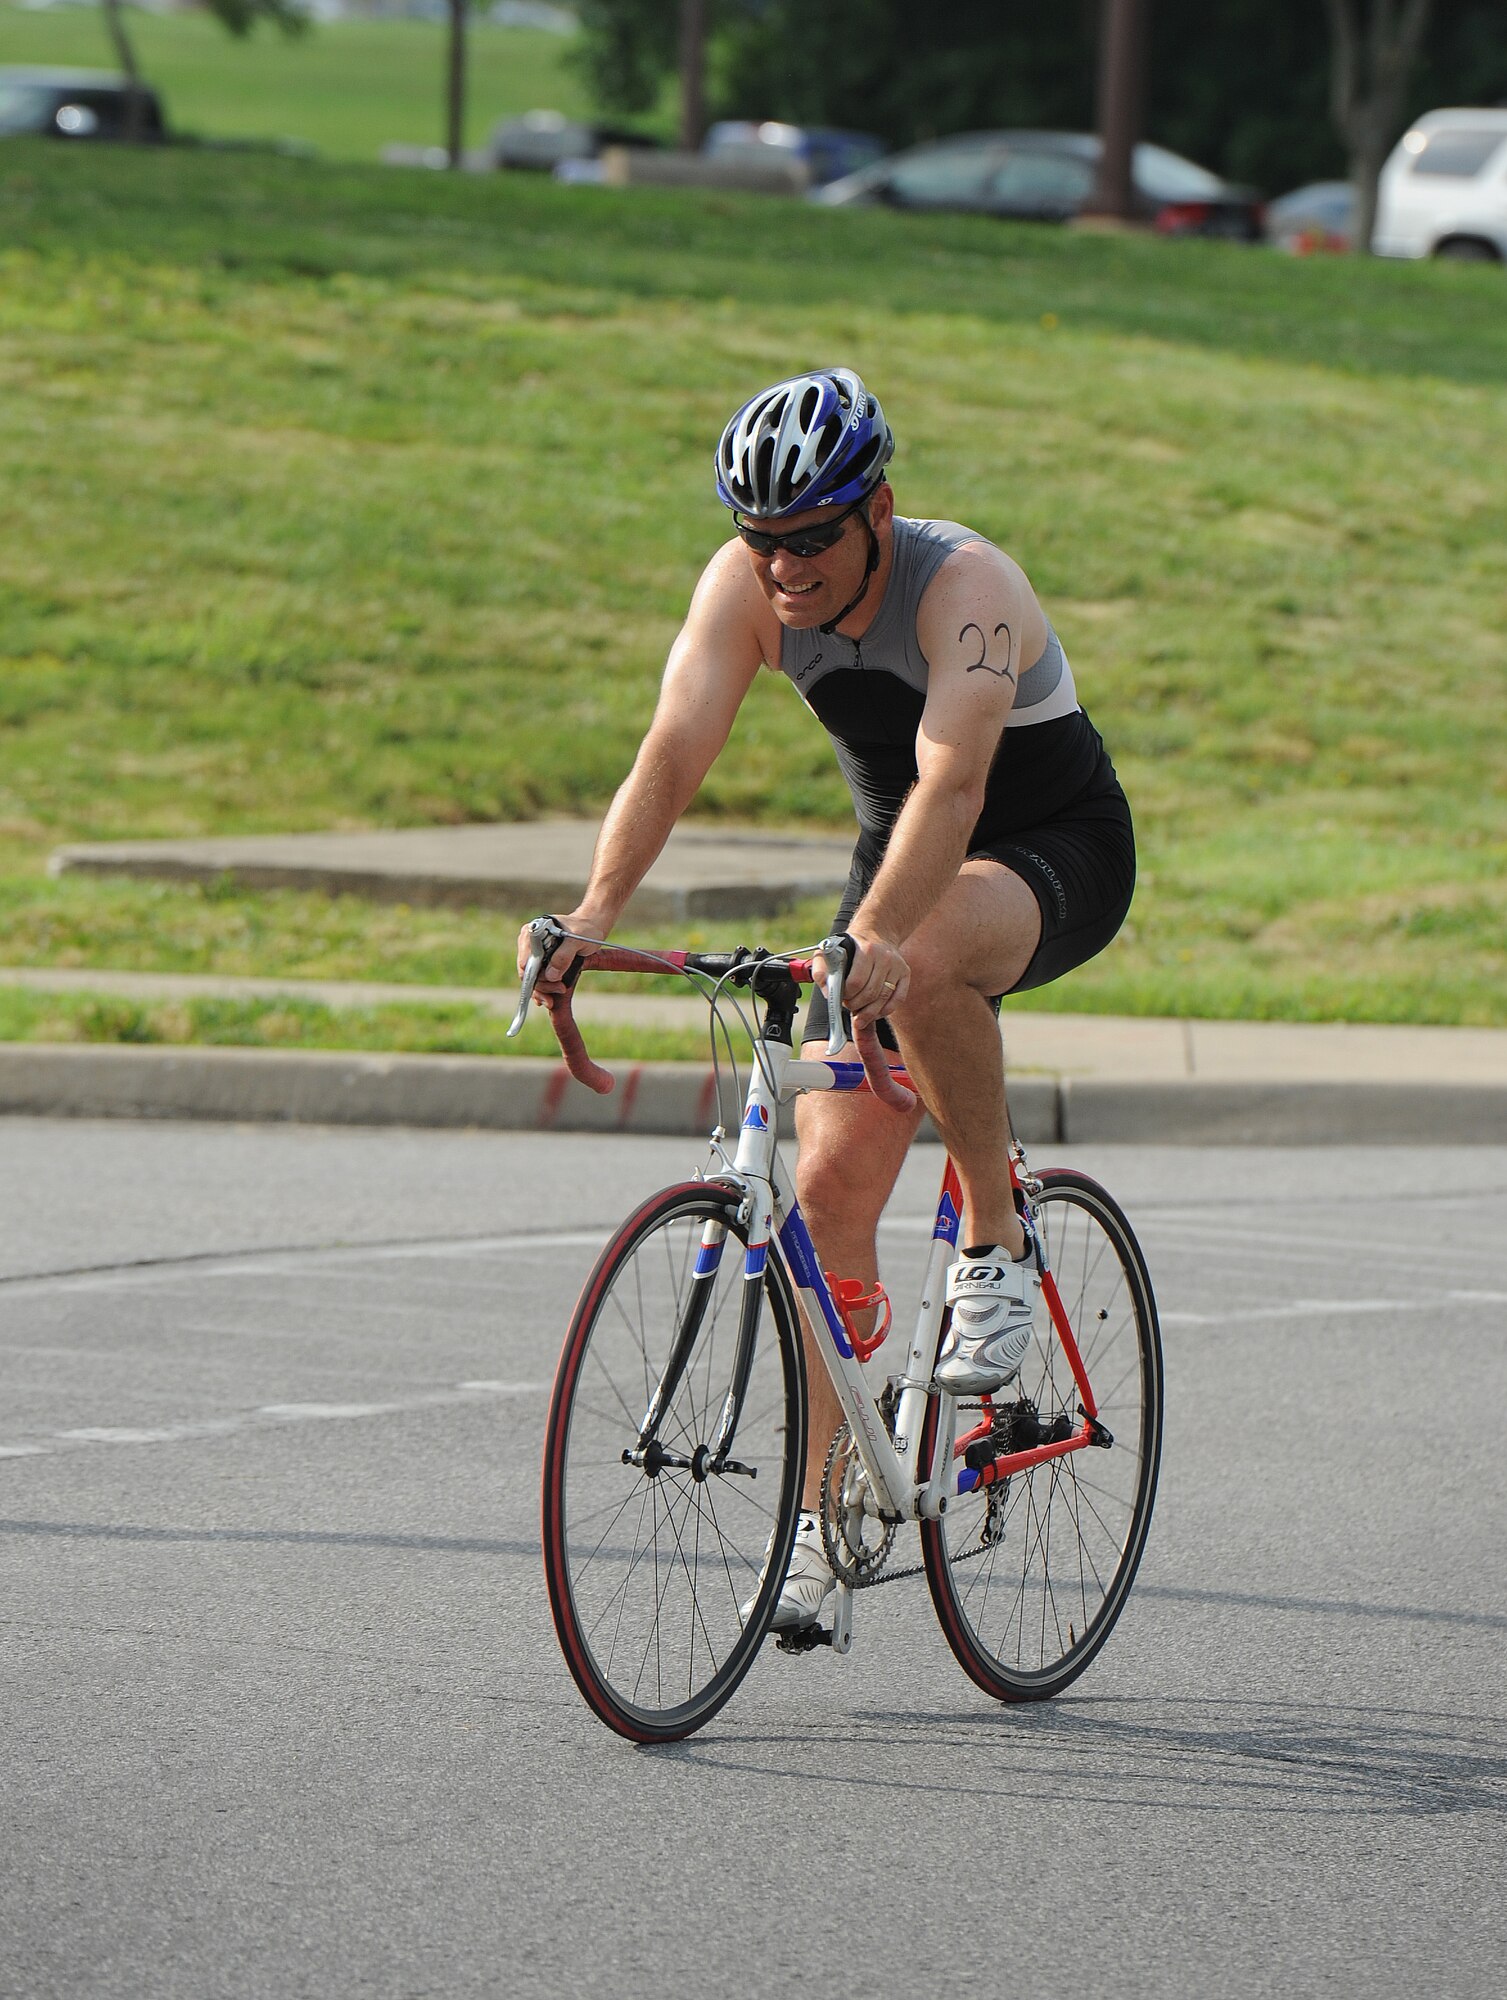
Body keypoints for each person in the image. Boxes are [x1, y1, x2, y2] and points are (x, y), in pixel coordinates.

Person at [518, 367, 1135, 1633]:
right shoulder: (742, 587)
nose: (783, 565)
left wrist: (872, 940)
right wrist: (590, 917)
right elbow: (672, 752)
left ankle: (998, 1248)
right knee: (827, 1194)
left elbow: (956, 784)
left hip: (1049, 847)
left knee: (930, 959)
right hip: (894, 859)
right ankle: (825, 1502)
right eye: (763, 540)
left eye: (810, 538)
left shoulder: (966, 588)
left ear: (879, 512)